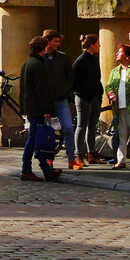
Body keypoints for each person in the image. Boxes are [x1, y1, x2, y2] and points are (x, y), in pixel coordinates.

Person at [18, 36, 60, 182]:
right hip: (36, 108)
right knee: (34, 138)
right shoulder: (37, 64)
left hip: (30, 107)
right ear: (44, 48)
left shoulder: (27, 62)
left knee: (37, 139)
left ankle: (46, 170)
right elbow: (41, 90)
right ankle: (26, 169)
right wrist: (47, 109)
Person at [42, 29, 76, 170]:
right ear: (47, 42)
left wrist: (65, 90)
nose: (58, 44)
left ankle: (71, 159)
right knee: (48, 131)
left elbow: (70, 77)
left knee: (68, 128)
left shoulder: (62, 57)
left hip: (61, 99)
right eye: (55, 41)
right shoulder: (40, 58)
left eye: (59, 41)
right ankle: (49, 159)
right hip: (46, 100)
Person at [69, 34, 103, 169]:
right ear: (91, 44)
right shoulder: (81, 60)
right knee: (81, 125)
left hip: (94, 95)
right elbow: (74, 80)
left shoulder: (93, 59)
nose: (99, 45)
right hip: (84, 96)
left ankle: (92, 154)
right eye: (98, 43)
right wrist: (79, 93)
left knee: (92, 125)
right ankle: (79, 154)